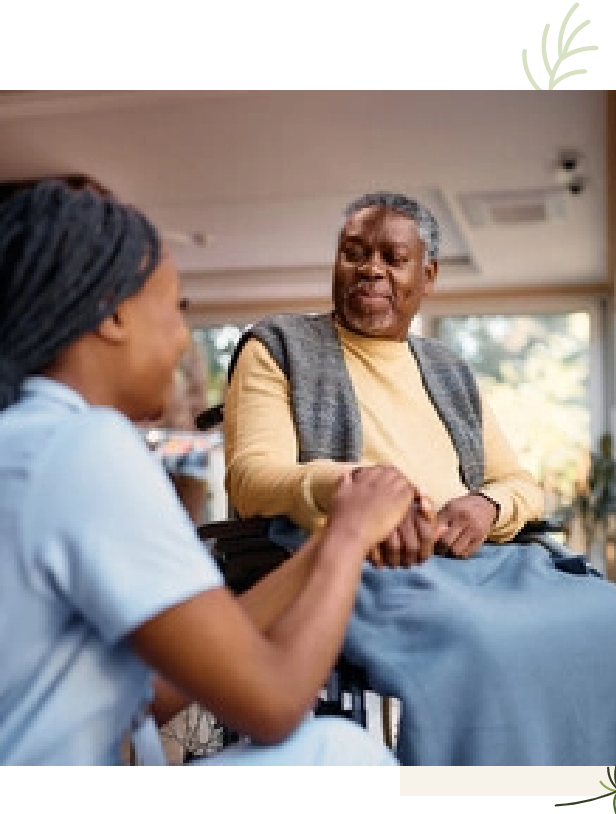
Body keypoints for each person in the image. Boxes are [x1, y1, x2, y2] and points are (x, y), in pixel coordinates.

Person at [222, 191, 616, 766]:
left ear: (427, 275)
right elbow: (252, 478)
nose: (371, 270)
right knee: (489, 649)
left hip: (480, 561)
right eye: (354, 253)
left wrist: (486, 505)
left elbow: (518, 482)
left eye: (392, 257)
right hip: (370, 561)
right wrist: (362, 493)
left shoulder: (448, 370)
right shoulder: (279, 346)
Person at [0, 180, 415, 766]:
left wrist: (325, 542)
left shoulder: (25, 439)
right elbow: (271, 702)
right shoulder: (82, 448)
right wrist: (351, 536)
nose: (181, 342)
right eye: (174, 309)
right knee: (338, 752)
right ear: (112, 314)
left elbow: (156, 691)